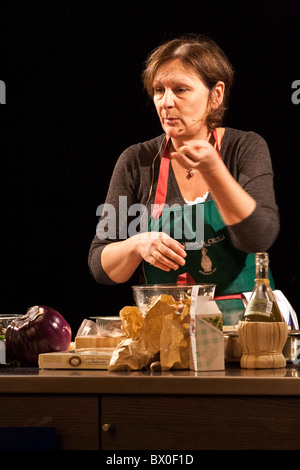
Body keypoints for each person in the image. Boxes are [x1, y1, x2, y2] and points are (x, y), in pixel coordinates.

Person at [88, 35, 280, 325]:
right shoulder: (136, 161)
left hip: (244, 329)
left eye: (181, 90)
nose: (166, 102)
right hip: (167, 331)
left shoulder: (245, 149)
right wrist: (137, 244)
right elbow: (102, 267)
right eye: (158, 90)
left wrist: (215, 170)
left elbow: (258, 237)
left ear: (216, 95)